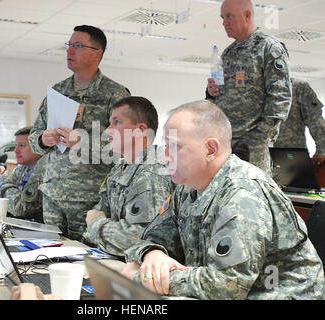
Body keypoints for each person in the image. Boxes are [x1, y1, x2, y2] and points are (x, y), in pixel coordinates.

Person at [122, 100, 324, 300]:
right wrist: (152, 254)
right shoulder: (187, 188)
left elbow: (227, 285)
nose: (165, 156)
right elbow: (152, 237)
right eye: (165, 145)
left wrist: (144, 276)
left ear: (210, 149)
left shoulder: (244, 193)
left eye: (174, 147)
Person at [29, 25, 130, 240]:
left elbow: (124, 147)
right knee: (46, 260)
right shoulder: (58, 91)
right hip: (53, 194)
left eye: (78, 46)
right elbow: (34, 136)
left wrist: (82, 142)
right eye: (69, 45)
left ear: (97, 53)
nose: (69, 51)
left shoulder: (115, 94)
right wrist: (43, 139)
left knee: (84, 262)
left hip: (89, 199)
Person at [206, 0, 292, 173]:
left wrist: (260, 137)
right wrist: (211, 93)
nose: (224, 22)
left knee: (250, 195)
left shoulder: (269, 47)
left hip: (253, 145)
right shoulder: (229, 52)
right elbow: (221, 97)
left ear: (247, 15)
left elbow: (280, 98)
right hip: (226, 142)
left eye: (229, 16)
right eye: (222, 17)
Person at [83, 96, 173, 257]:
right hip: (113, 261)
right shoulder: (120, 167)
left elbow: (136, 240)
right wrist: (99, 226)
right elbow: (97, 213)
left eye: (117, 122)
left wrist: (96, 224)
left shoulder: (153, 172)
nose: (107, 130)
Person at [0, 126, 46, 223]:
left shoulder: (44, 171)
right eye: (16, 145)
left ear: (38, 147)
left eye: (22, 145)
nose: (16, 150)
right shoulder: (22, 168)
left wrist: (3, 180)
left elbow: (20, 209)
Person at [274, 78, 325, 166]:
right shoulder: (252, 89)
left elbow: (317, 123)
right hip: (254, 157)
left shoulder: (297, 87)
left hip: (290, 158)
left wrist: (321, 153)